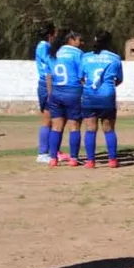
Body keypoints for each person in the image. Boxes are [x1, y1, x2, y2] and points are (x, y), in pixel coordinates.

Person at [79, 31, 124, 168]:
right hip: (107, 97)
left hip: (89, 96)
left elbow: (81, 78)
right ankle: (112, 160)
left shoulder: (86, 57)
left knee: (90, 129)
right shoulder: (115, 58)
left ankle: (91, 161)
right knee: (109, 129)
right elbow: (119, 79)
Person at [45, 30, 83, 167]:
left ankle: (53, 158)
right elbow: (82, 75)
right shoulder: (77, 54)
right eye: (79, 39)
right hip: (73, 92)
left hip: (56, 93)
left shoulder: (52, 53)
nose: (81, 42)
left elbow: (48, 77)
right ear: (71, 40)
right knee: (74, 126)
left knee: (56, 126)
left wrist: (50, 95)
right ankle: (73, 158)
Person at [34, 23, 56, 164]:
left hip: (44, 83)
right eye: (55, 34)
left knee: (53, 120)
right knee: (48, 120)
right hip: (47, 84)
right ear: (50, 35)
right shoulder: (46, 47)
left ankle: (52, 150)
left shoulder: (41, 46)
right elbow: (50, 68)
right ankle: (43, 153)